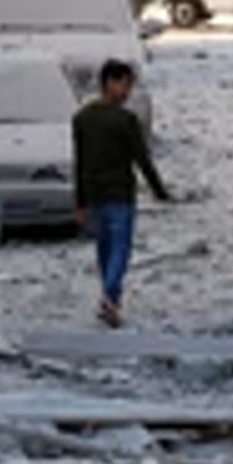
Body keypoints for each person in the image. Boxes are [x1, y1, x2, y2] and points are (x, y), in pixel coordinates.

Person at [72, 60, 171, 327]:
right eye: (125, 85)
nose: (127, 92)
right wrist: (160, 191)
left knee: (105, 250)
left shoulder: (82, 119)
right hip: (120, 195)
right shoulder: (126, 121)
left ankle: (111, 302)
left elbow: (79, 163)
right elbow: (142, 160)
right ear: (109, 83)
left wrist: (79, 202)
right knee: (120, 249)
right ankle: (110, 295)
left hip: (94, 195)